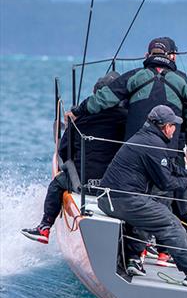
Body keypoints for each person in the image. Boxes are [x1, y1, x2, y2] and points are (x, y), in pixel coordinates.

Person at [66, 38, 187, 261]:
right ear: (172, 57)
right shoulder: (181, 82)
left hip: (134, 155)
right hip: (168, 154)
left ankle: (134, 255)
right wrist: (180, 132)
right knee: (162, 203)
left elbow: (103, 99)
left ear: (147, 55)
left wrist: (78, 110)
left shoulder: (134, 77)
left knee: (137, 201)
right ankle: (163, 253)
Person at [97, 106, 187, 287]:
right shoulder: (154, 144)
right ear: (166, 127)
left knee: (151, 211)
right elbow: (166, 183)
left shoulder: (145, 137)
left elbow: (166, 167)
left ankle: (132, 260)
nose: (175, 129)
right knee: (170, 223)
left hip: (111, 198)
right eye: (173, 125)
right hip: (123, 200)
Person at [21, 73, 127, 244]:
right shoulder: (128, 118)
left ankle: (45, 227)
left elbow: (64, 152)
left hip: (83, 182)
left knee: (57, 183)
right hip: (117, 184)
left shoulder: (81, 118)